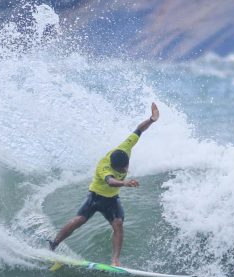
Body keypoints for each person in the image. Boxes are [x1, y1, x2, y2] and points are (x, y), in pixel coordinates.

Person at [48, 103, 160, 266]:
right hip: (95, 197)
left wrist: (152, 119)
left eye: (125, 167)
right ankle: (54, 244)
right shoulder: (104, 166)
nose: (125, 169)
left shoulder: (125, 147)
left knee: (119, 225)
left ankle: (115, 260)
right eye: (121, 169)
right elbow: (111, 181)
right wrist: (125, 183)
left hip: (111, 200)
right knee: (79, 220)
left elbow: (139, 130)